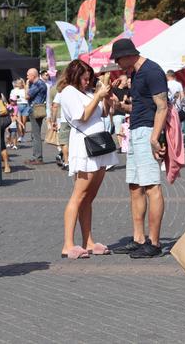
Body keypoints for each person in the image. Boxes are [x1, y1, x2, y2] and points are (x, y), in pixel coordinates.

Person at [110, 38, 169, 258]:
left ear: (129, 54)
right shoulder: (135, 73)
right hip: (135, 130)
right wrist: (120, 105)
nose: (117, 64)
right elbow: (142, 104)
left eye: (118, 59)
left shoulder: (152, 71)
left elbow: (162, 106)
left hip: (147, 131)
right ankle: (138, 238)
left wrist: (155, 137)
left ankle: (154, 243)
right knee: (135, 186)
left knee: (152, 186)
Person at [59, 60, 118, 259]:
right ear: (75, 76)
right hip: (85, 147)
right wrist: (98, 96)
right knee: (79, 195)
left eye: (89, 78)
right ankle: (68, 244)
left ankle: (88, 240)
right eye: (84, 78)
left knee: (89, 197)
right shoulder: (68, 92)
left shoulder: (87, 92)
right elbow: (82, 116)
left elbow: (102, 113)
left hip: (98, 145)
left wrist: (107, 99)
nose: (87, 82)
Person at [24, 68, 48, 165]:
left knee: (36, 134)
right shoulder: (40, 84)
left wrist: (26, 85)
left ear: (33, 75)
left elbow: (27, 96)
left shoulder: (38, 84)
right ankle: (36, 156)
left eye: (28, 75)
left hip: (35, 110)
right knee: (35, 134)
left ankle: (38, 157)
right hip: (38, 109)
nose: (27, 77)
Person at [111, 74, 129, 150]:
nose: (126, 82)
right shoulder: (114, 90)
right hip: (117, 114)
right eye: (125, 80)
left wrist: (126, 100)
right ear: (121, 81)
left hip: (126, 114)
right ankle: (121, 146)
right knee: (118, 131)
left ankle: (125, 145)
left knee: (125, 130)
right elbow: (112, 100)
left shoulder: (127, 90)